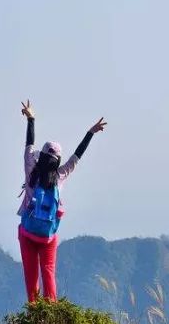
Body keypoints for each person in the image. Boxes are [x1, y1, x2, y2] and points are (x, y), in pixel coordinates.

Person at [17, 99, 106, 302]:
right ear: (57, 161)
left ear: (40, 158)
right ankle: (53, 316)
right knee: (49, 274)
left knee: (31, 278)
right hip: (48, 236)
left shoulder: (31, 170)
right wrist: (90, 133)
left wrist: (31, 118)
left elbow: (29, 145)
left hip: (27, 232)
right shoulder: (60, 176)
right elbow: (77, 156)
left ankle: (34, 317)